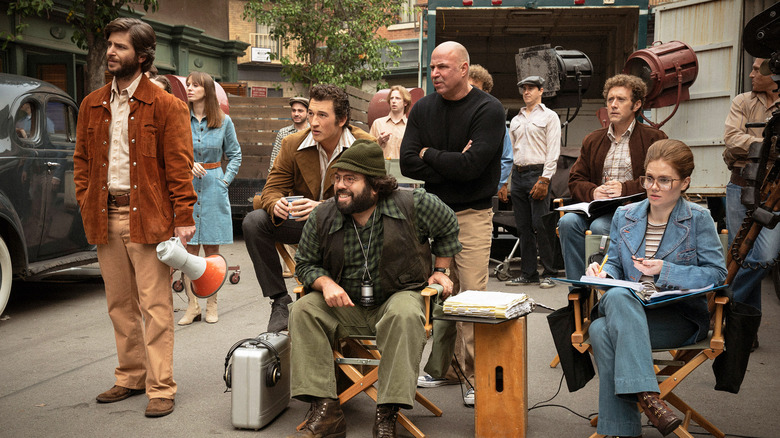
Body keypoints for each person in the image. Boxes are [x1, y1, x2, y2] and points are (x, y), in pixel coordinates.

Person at [287, 140, 461, 438]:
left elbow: (448, 225)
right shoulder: (322, 215)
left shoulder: (414, 204)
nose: (340, 186)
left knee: (405, 313)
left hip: (397, 296)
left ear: (376, 186)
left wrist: (440, 270)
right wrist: (325, 282)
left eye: (350, 179)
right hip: (346, 305)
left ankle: (387, 412)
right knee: (303, 309)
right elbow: (304, 263)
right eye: (338, 178)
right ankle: (327, 410)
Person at [73, 17, 196, 418]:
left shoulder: (167, 106)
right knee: (119, 305)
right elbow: (82, 162)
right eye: (110, 44)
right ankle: (130, 375)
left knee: (155, 307)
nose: (111, 51)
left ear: (142, 57)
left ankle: (161, 386)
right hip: (104, 215)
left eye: (120, 47)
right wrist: (85, 199)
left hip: (148, 218)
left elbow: (179, 166)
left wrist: (183, 216)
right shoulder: (92, 104)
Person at [584, 139, 726, 437]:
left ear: (684, 182)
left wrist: (666, 270)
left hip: (678, 318)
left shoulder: (698, 219)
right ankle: (649, 396)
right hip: (629, 309)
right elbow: (614, 264)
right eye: (649, 178)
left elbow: (717, 275)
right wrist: (603, 272)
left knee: (599, 331)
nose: (654, 186)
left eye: (664, 180)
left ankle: (625, 428)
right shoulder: (626, 215)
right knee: (619, 295)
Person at [400, 41, 505, 405]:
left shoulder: (489, 109)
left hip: (472, 214)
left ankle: (476, 377)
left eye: (443, 67)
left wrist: (430, 155)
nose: (435, 74)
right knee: (433, 294)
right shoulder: (424, 108)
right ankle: (445, 368)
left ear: (464, 69)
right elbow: (407, 162)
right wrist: (445, 160)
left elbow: (473, 167)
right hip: (430, 213)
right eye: (432, 67)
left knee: (471, 297)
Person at [242, 84, 374, 333]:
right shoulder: (293, 143)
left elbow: (369, 198)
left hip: (347, 228)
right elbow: (271, 188)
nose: (313, 122)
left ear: (342, 120)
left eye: (322, 115)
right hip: (304, 226)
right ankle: (280, 301)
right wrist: (276, 203)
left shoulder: (364, 144)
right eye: (311, 113)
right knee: (254, 221)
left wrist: (324, 207)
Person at [558, 74, 667, 280]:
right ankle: (579, 292)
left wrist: (625, 189)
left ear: (636, 105)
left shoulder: (654, 138)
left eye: (621, 100)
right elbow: (575, 180)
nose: (613, 105)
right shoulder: (593, 139)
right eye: (610, 100)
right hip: (599, 208)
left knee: (600, 227)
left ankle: (604, 286)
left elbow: (662, 180)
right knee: (567, 223)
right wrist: (593, 191)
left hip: (634, 211)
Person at [176, 71, 242, 325]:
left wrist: (224, 181)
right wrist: (188, 163)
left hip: (214, 186)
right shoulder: (181, 118)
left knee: (212, 252)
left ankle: (212, 304)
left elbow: (235, 154)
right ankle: (192, 306)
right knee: (189, 252)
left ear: (207, 90)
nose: (189, 89)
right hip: (188, 187)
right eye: (188, 85)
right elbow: (174, 151)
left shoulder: (224, 121)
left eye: (195, 85)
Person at [723, 57, 780, 315]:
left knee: (764, 257)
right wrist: (769, 146)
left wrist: (755, 146)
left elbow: (741, 141)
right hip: (740, 186)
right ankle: (744, 329)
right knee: (739, 255)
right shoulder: (742, 101)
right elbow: (732, 140)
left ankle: (721, 306)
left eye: (757, 70)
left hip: (774, 191)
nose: (751, 74)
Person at [505, 75, 561, 288]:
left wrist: (545, 179)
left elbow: (553, 150)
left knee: (542, 225)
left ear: (541, 90)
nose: (526, 92)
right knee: (523, 227)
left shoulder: (550, 117)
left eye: (531, 88)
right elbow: (510, 152)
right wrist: (505, 182)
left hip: (538, 174)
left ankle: (549, 272)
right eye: (524, 89)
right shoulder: (517, 119)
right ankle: (529, 273)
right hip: (518, 175)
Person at [467, 64, 514, 195]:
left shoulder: (495, 119)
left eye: (475, 87)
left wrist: (493, 186)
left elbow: (507, 158)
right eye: (467, 86)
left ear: (485, 91)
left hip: (482, 192)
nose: (470, 90)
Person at [269, 97, 310, 172]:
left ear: (308, 113)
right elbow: (275, 159)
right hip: (287, 177)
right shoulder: (283, 132)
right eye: (293, 110)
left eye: (300, 111)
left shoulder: (313, 132)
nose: (296, 114)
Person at [369, 85, 410, 159]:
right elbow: (367, 150)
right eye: (391, 98)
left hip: (401, 169)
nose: (394, 101)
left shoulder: (410, 126)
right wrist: (379, 141)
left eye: (397, 98)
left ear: (405, 103)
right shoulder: (377, 123)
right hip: (380, 168)